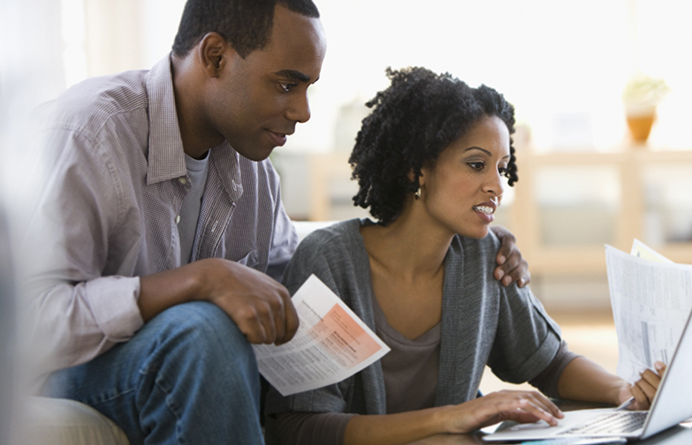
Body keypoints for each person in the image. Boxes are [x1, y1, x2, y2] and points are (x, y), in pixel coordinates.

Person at [23, 1, 530, 443]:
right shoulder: (90, 133)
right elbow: (27, 322)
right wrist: (199, 281)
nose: (304, 111)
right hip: (65, 369)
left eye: (308, 87)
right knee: (203, 332)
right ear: (215, 56)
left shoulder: (254, 170)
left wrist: (468, 239)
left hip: (176, 364)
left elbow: (301, 286)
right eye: (287, 84)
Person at [264, 67, 667, 445]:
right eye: (476, 165)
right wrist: (453, 416)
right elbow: (300, 425)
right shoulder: (329, 264)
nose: (496, 186)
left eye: (502, 168)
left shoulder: (484, 255)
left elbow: (549, 362)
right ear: (414, 170)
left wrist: (625, 392)